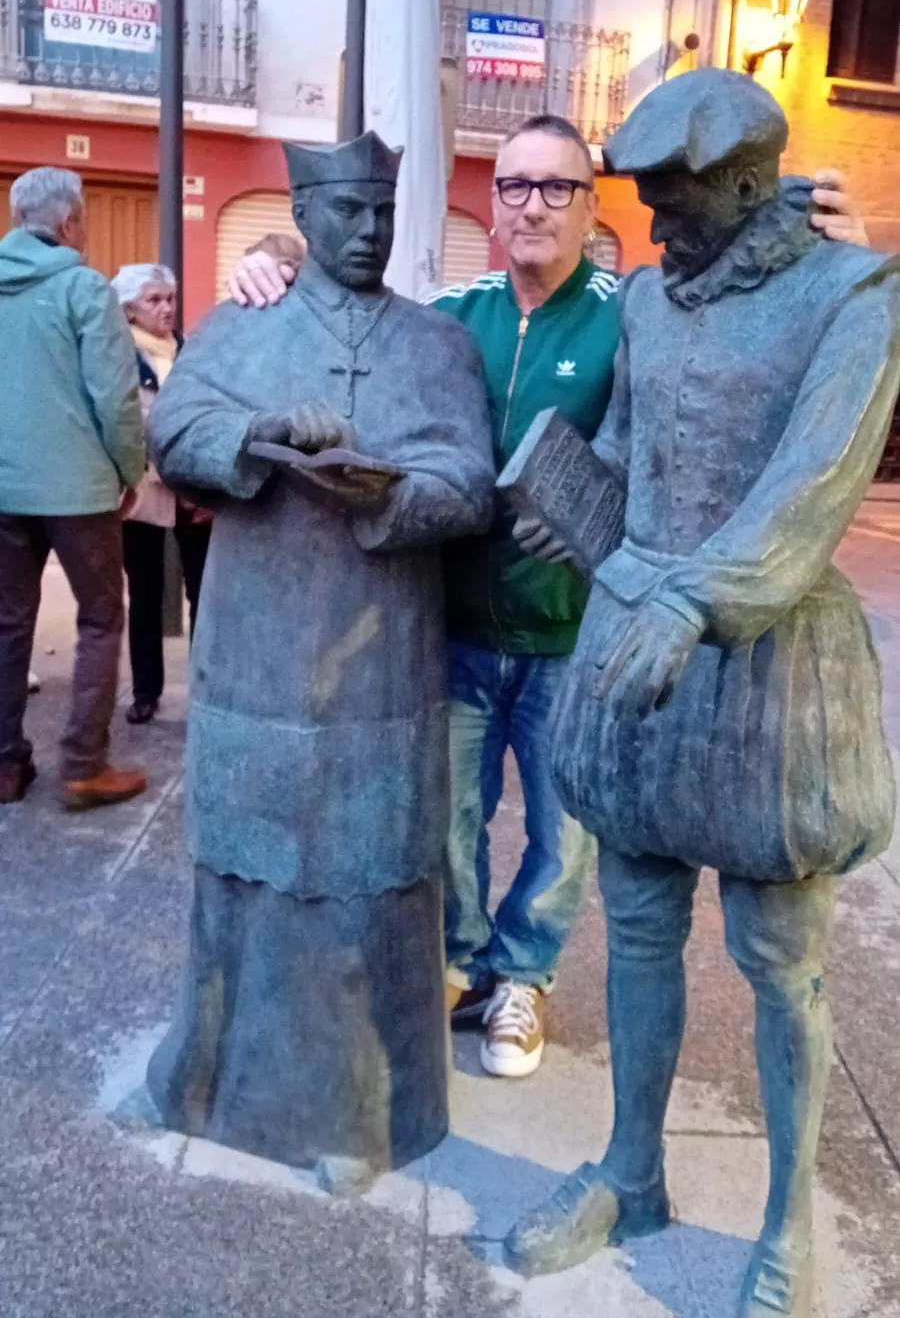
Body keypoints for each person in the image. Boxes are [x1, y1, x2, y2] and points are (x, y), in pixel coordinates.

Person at [228, 133, 869, 1083]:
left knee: (564, 832)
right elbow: (342, 335)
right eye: (514, 184)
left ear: (588, 206)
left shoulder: (636, 315)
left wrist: (840, 257)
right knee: (445, 817)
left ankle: (524, 974)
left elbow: (763, 351)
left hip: (578, 632)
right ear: (492, 201)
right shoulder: (448, 316)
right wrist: (270, 269)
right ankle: (459, 960)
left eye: (557, 186)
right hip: (449, 626)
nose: (532, 203)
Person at [502, 71, 900, 1318]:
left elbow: (810, 489)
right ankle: (631, 1167)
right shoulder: (658, 308)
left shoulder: (854, 297)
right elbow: (628, 450)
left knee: (782, 957)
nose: (657, 237)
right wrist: (562, 487)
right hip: (639, 648)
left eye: (677, 210)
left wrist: (698, 601)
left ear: (748, 185)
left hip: (768, 663)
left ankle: (790, 1231)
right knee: (637, 924)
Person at [137, 133, 495, 1189]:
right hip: (256, 647)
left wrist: (390, 491)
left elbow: (470, 480)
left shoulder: (437, 345)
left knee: (369, 878)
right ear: (303, 213)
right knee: (243, 867)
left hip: (381, 653)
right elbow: (175, 433)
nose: (369, 231)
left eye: (382, 214)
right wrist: (258, 436)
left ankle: (364, 1114)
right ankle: (215, 1081)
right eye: (346, 213)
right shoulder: (244, 322)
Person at [0, 168, 147, 810]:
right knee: (99, 617)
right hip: (79, 489)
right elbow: (116, 398)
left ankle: (5, 767)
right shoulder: (85, 288)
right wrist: (129, 471)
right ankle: (84, 767)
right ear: (68, 224)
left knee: (6, 624)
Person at [112, 263, 213, 725]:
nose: (166, 308)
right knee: (147, 594)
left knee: (203, 591)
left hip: (192, 491)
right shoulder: (116, 353)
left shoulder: (190, 351)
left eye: (169, 298)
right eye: (154, 300)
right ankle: (146, 691)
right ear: (130, 310)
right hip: (143, 490)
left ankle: (207, 688)